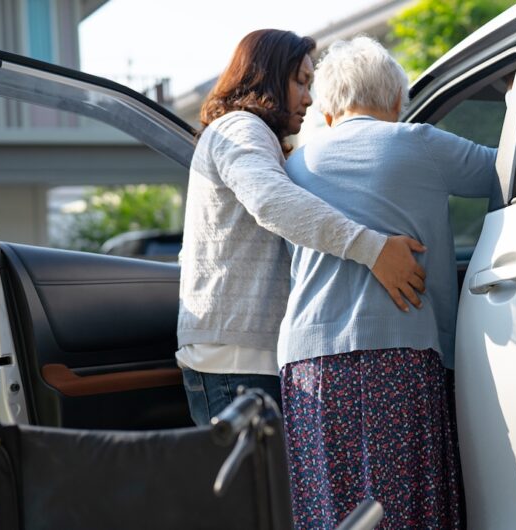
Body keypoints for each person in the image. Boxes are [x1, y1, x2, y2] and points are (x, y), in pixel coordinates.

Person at [278, 36, 500, 529]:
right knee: (406, 510)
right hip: (398, 358)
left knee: (331, 511)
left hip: (309, 365)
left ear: (329, 111)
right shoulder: (418, 142)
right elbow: (508, 169)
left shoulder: (296, 165)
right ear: (397, 101)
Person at [176, 29, 427, 426]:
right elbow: (271, 201)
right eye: (300, 81)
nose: (309, 98)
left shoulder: (248, 135)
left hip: (240, 357)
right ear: (267, 76)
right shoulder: (240, 128)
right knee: (257, 489)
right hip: (237, 364)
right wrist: (373, 249)